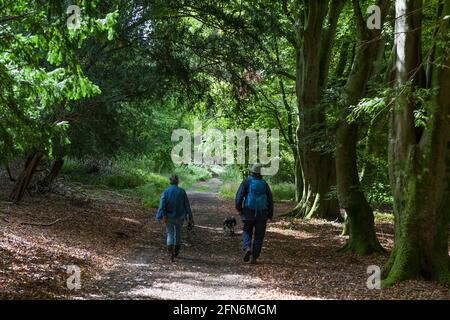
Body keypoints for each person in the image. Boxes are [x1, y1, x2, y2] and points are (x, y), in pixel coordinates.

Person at [235, 163, 274, 264]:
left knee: (247, 231)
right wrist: (270, 214)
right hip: (262, 214)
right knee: (259, 236)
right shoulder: (264, 184)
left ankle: (247, 247)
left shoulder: (246, 182)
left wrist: (239, 209)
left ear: (251, 172)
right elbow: (270, 199)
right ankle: (254, 258)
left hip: (248, 212)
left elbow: (239, 196)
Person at [156, 174, 194, 262]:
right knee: (178, 234)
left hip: (168, 217)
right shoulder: (182, 191)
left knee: (170, 233)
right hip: (180, 217)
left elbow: (162, 205)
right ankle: (176, 252)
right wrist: (190, 217)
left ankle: (171, 254)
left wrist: (160, 216)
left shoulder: (166, 191)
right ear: (178, 182)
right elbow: (187, 205)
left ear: (170, 181)